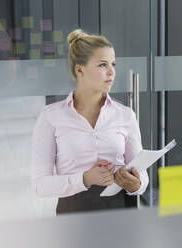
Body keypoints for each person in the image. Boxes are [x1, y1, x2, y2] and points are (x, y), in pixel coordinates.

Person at [31, 29, 148, 215]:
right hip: (74, 216)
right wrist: (84, 179)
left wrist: (137, 184)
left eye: (113, 64)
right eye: (103, 65)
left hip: (121, 213)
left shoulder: (126, 116)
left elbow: (141, 174)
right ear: (80, 69)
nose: (112, 72)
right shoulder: (51, 117)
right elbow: (40, 185)